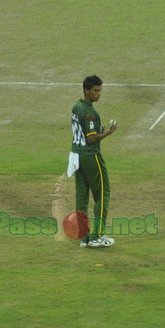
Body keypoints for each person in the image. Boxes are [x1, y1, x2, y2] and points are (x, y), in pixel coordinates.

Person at [67, 75, 117, 248]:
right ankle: (97, 236)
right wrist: (109, 132)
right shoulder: (89, 112)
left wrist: (97, 131)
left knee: (82, 196)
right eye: (95, 91)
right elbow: (92, 139)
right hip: (90, 156)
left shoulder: (76, 106)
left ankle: (84, 237)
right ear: (86, 90)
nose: (99, 94)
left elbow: (84, 132)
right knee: (102, 194)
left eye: (100, 90)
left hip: (76, 155)